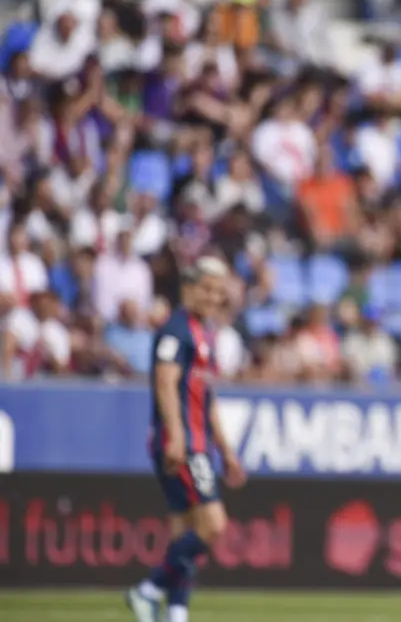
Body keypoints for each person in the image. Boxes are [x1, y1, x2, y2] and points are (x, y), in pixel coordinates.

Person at [126, 257, 246, 622]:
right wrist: (176, 435)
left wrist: (226, 450)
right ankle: (147, 590)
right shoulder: (176, 330)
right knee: (214, 525)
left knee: (186, 532)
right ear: (189, 289)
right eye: (207, 289)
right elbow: (164, 381)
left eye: (218, 291)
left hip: (199, 443)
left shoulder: (203, 333)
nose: (213, 297)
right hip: (185, 445)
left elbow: (206, 399)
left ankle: (175, 612)